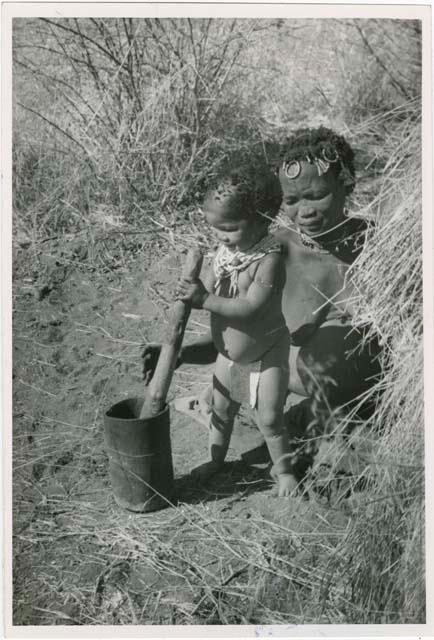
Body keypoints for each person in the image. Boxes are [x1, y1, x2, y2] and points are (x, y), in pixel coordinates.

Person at [143, 127, 383, 482]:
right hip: (278, 367)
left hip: (351, 385)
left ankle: (302, 424)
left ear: (346, 185)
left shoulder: (376, 247)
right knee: (248, 374)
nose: (306, 212)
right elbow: (251, 329)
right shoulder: (273, 251)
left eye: (317, 196)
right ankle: (237, 414)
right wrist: (184, 354)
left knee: (314, 360)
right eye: (292, 201)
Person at [171, 158, 296, 497]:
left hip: (265, 353)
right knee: (222, 410)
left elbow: (251, 308)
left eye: (229, 228)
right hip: (231, 355)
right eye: (215, 228)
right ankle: (216, 460)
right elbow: (208, 286)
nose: (221, 236)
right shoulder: (226, 252)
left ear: (262, 220)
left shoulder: (269, 259)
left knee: (268, 418)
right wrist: (193, 287)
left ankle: (283, 471)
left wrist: (204, 300)